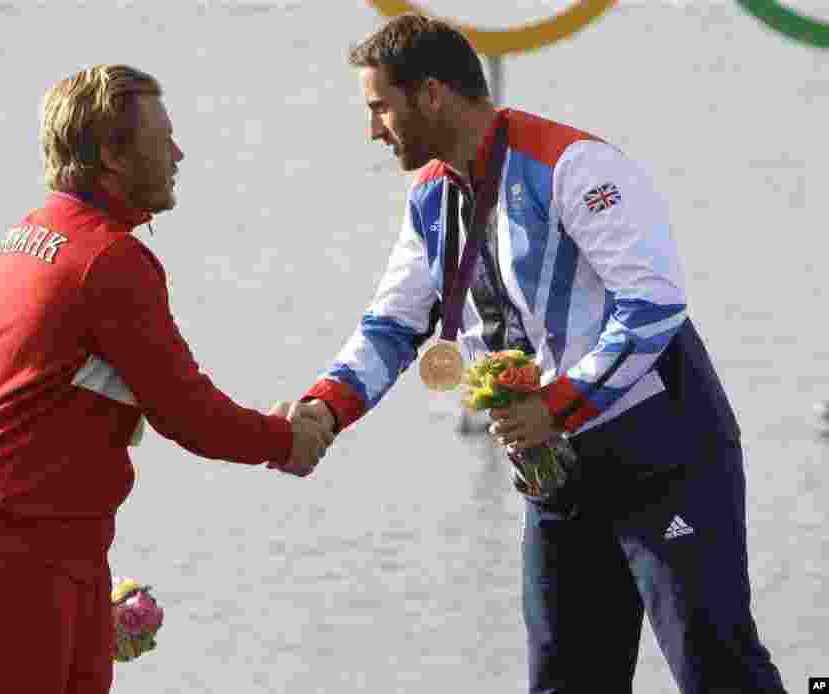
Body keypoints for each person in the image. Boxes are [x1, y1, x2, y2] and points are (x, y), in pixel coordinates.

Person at [277, 14, 787, 694]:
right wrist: (322, 410)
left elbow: (653, 307)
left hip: (664, 457)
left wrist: (556, 404)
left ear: (432, 95)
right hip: (559, 474)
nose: (373, 129)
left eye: (380, 108)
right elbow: (393, 326)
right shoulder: (431, 196)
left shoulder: (575, 166)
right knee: (563, 682)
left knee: (715, 669)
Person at [0, 64, 334, 694]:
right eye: (163, 138)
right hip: (10, 557)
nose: (179, 152)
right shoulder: (110, 261)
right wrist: (284, 439)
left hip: (28, 547)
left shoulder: (26, 237)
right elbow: (188, 412)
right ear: (111, 154)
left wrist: (79, 578)